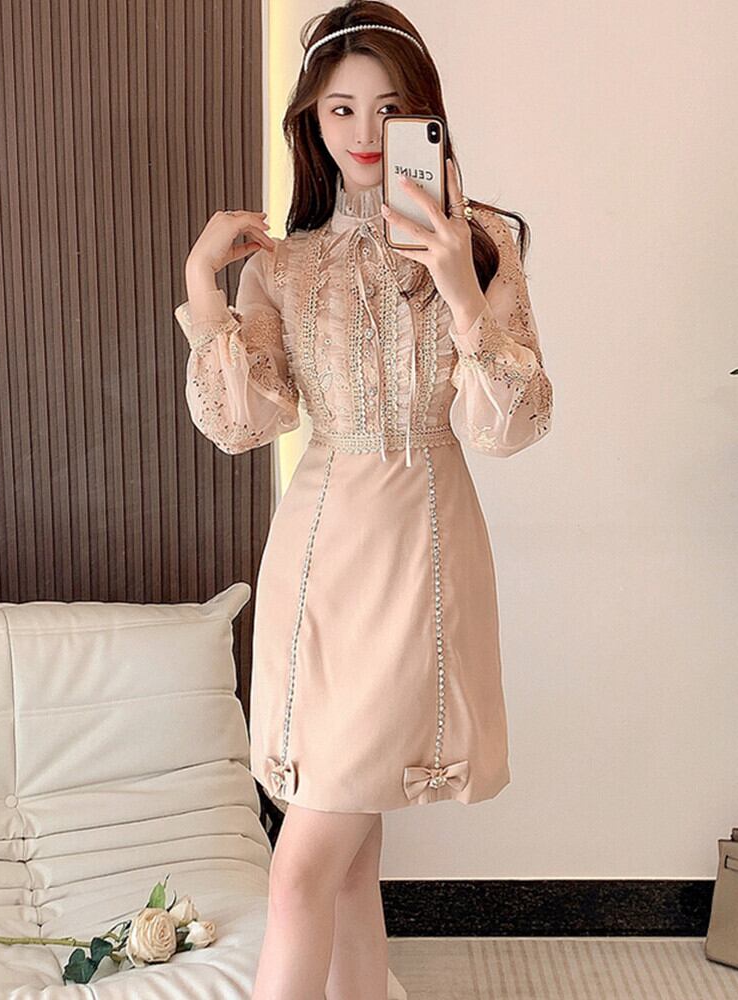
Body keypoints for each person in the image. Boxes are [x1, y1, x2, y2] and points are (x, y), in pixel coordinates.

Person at [173, 2, 553, 996]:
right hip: (317, 554)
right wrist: (205, 287)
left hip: (422, 547)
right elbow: (247, 422)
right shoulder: (287, 265)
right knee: (343, 867)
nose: (365, 131)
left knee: (301, 865)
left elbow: (510, 425)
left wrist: (459, 287)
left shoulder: (483, 243)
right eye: (340, 108)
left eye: (390, 108)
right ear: (311, 120)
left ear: (426, 114)